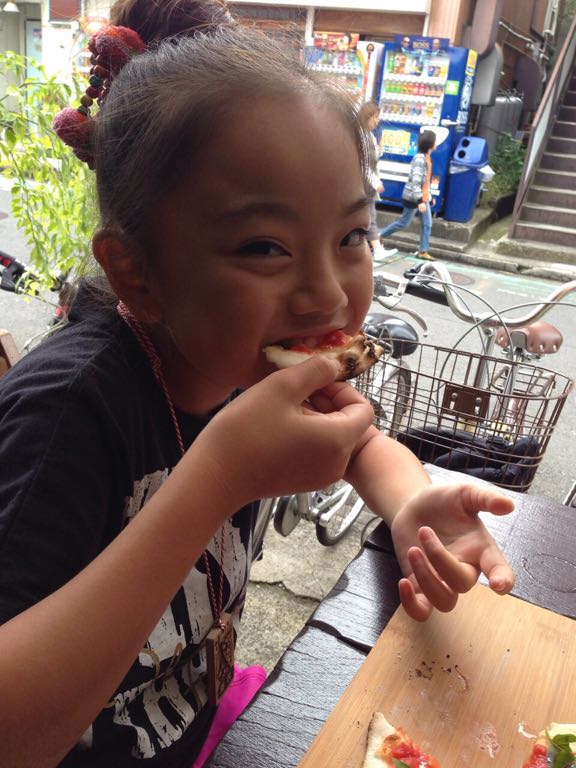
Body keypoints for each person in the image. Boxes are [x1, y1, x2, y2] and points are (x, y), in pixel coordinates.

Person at [0, 3, 516, 766]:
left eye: (352, 235)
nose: (328, 295)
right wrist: (217, 478)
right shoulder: (69, 413)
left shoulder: (240, 359)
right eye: (265, 247)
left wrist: (411, 505)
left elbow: (361, 445)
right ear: (136, 273)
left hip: (202, 727)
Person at [380, 129, 437, 260]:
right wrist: (420, 201)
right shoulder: (420, 159)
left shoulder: (428, 158)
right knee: (404, 223)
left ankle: (423, 251)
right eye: (435, 141)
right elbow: (416, 182)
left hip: (423, 197)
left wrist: (430, 197)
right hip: (414, 198)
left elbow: (426, 182)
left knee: (427, 223)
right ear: (430, 143)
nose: (436, 143)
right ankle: (378, 236)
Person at [357, 100, 398, 262]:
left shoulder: (367, 136)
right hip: (365, 184)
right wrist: (375, 182)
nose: (378, 120)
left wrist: (378, 152)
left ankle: (374, 248)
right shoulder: (364, 137)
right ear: (368, 117)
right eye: (375, 117)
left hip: (365, 184)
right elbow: (364, 164)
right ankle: (376, 249)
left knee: (367, 216)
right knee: (369, 216)